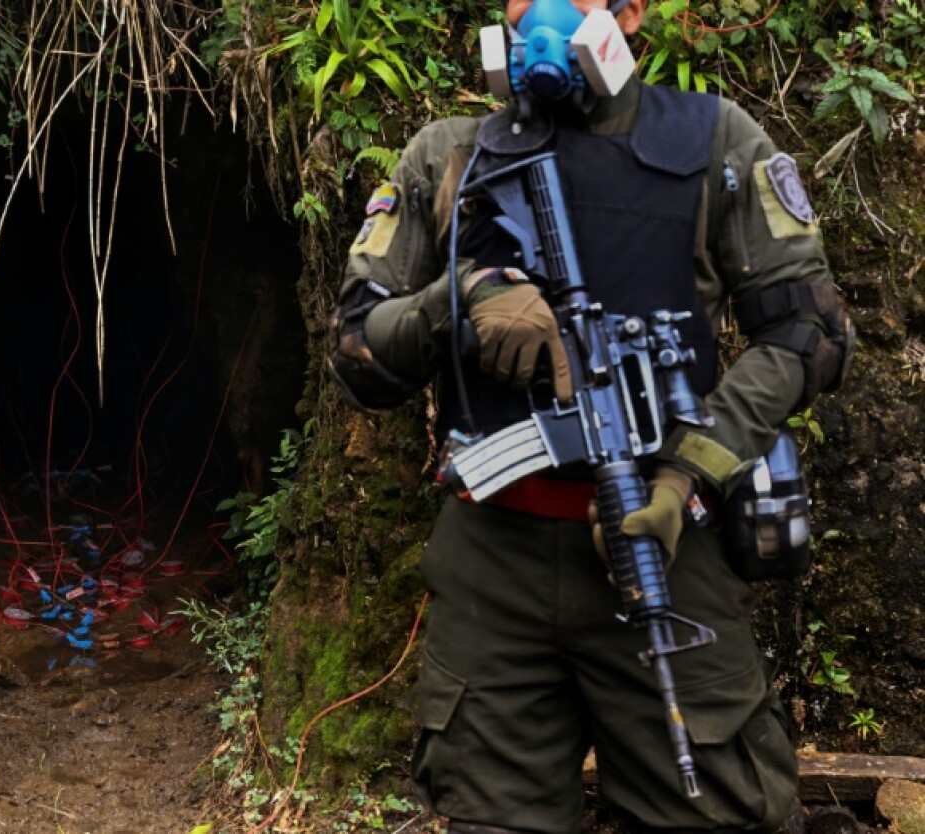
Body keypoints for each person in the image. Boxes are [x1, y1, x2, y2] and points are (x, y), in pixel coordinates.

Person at [327, 0, 856, 831]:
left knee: (718, 809)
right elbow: (358, 354)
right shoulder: (448, 155)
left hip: (664, 546)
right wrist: (460, 301)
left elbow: (807, 333)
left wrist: (688, 474)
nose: (535, 7)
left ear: (631, 13)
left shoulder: (715, 142)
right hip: (492, 566)